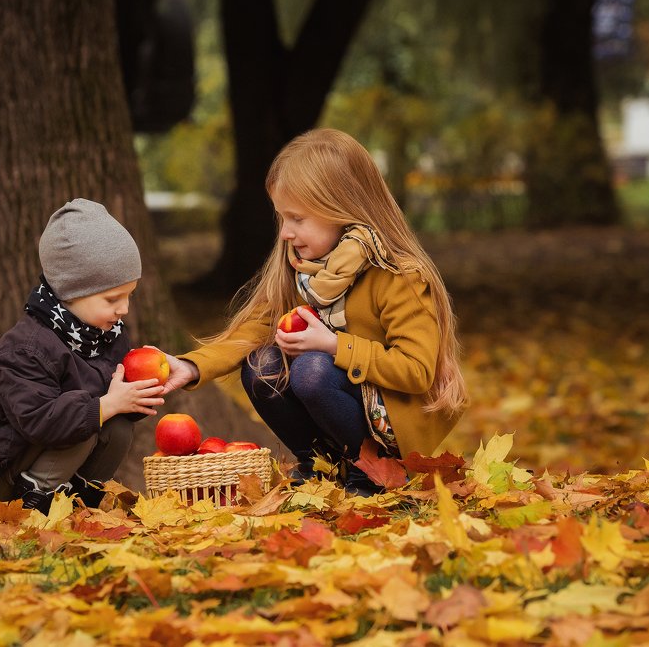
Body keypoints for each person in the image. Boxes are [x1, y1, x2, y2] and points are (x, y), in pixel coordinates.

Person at [160, 128, 468, 495]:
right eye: (282, 218)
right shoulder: (302, 270)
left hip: (392, 420)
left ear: (342, 210)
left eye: (297, 219)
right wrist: (193, 366)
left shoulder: (398, 276)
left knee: (312, 369)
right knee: (261, 365)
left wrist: (335, 346)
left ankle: (372, 475)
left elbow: (416, 371)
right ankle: (322, 465)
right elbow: (255, 328)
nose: (285, 233)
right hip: (338, 404)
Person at [0, 199, 165, 513]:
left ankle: (79, 501)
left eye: (129, 296)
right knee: (84, 418)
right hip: (2, 470)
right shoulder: (26, 348)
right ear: (71, 292)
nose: (123, 309)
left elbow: (113, 404)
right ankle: (32, 504)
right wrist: (106, 405)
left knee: (117, 426)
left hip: (55, 450)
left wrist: (135, 395)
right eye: (112, 299)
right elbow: (40, 421)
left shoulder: (105, 334)